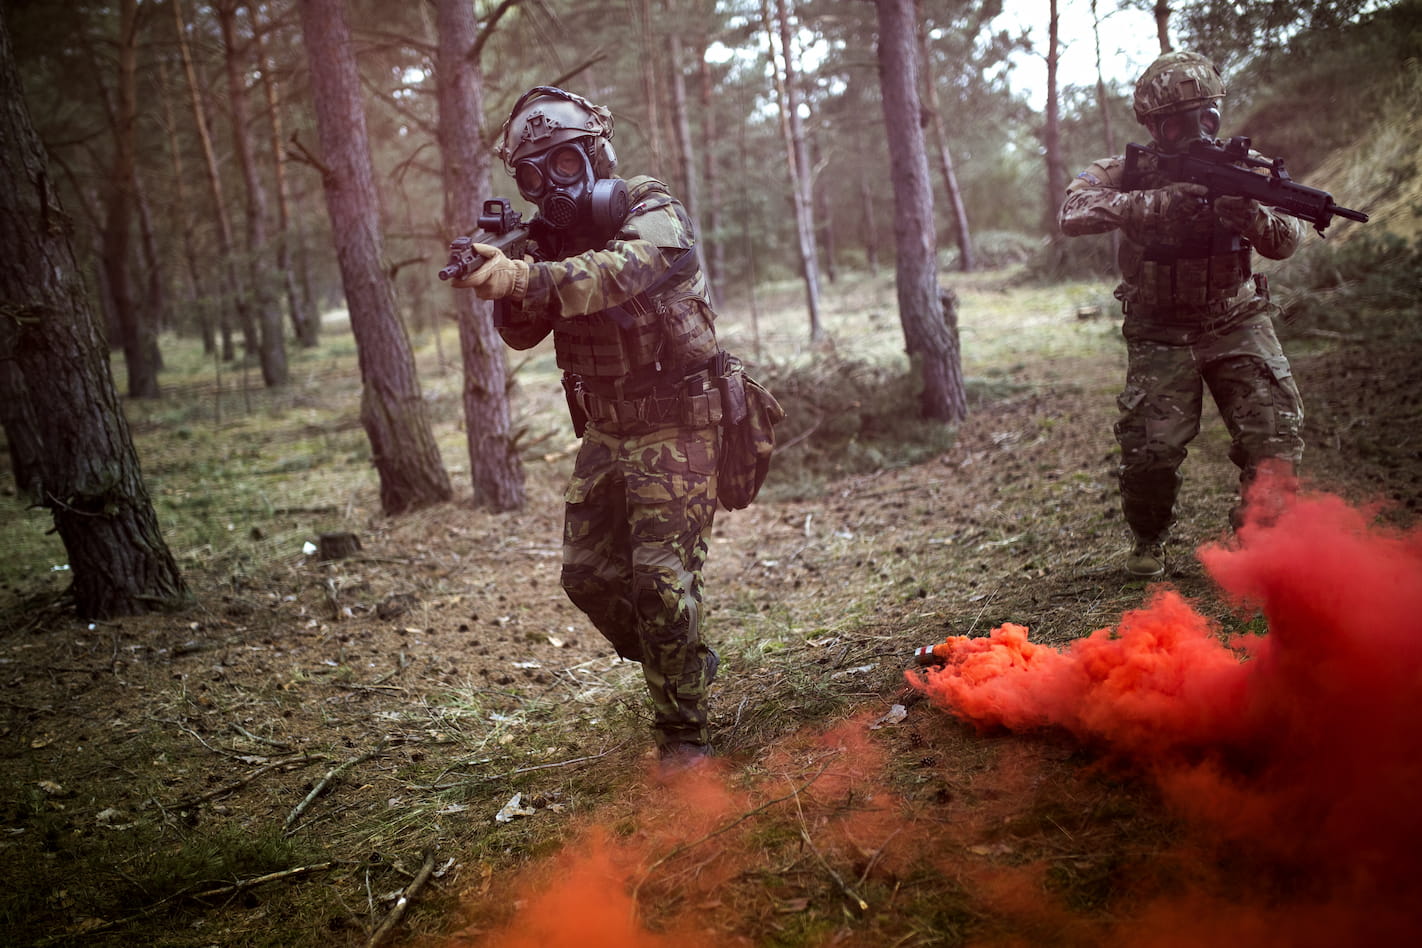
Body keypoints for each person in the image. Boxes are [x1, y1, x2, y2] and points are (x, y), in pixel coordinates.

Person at [452, 86, 724, 765]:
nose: (553, 187)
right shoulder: (544, 242)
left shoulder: (650, 206)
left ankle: (683, 736)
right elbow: (520, 332)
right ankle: (682, 656)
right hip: (606, 431)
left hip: (679, 420)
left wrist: (527, 277)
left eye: (566, 166)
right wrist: (503, 271)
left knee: (660, 582)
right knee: (589, 578)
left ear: (596, 154)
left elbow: (624, 270)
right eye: (535, 175)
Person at [1059, 51, 1305, 578]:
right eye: (1178, 124)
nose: (1197, 132)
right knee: (1152, 453)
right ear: (1154, 127)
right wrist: (1154, 203)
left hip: (1237, 318)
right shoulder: (1126, 170)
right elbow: (1072, 211)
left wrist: (1254, 216)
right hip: (1159, 330)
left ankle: (1260, 545)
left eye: (1207, 117)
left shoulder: (1247, 166)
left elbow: (1289, 237)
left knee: (1275, 435)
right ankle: (1149, 540)